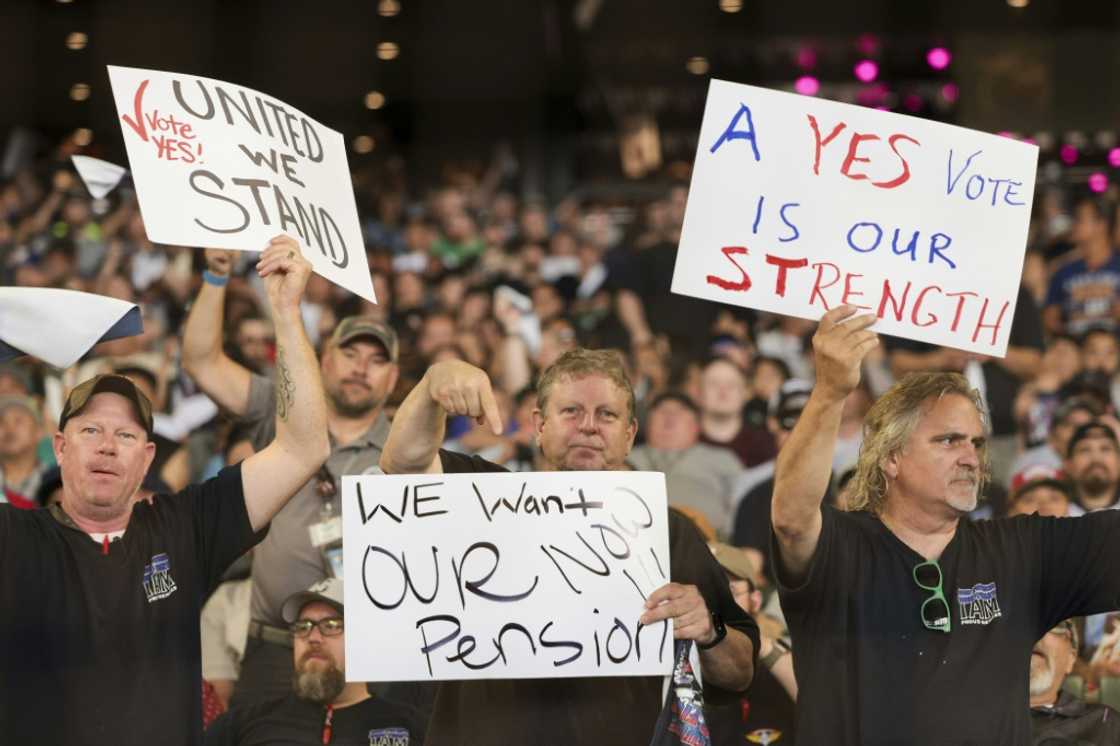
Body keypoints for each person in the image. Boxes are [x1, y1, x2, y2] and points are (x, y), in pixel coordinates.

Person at [0, 235, 330, 746]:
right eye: (91, 431)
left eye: (127, 434)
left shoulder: (186, 527)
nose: (108, 445)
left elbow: (304, 447)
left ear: (147, 458)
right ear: (60, 447)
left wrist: (287, 313)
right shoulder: (13, 535)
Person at [771, 304, 1120, 745]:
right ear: (891, 457)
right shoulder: (842, 547)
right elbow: (792, 518)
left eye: (975, 442)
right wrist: (829, 392)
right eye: (948, 440)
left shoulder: (1025, 551)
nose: (971, 457)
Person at [379, 348, 759, 746]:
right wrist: (430, 387)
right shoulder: (482, 497)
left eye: (607, 415)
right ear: (539, 426)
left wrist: (709, 632)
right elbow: (402, 464)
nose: (589, 427)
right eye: (571, 411)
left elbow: (739, 672)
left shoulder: (668, 530)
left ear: (629, 435)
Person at [183, 248, 401, 707]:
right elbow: (202, 362)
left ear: (393, 378)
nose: (361, 366)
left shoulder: (406, 448)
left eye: (376, 360)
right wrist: (217, 277)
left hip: (371, 649)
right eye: (350, 352)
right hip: (274, 645)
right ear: (322, 360)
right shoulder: (278, 406)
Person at [205, 578, 425, 746]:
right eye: (304, 626)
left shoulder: (410, 726)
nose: (313, 637)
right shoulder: (242, 724)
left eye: (331, 625)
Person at [705, 542, 797, 746]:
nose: (719, 602)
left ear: (755, 600)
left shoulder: (774, 659)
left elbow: (822, 704)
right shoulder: (683, 665)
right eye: (707, 591)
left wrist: (757, 643)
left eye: (731, 592)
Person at [627, 390, 744, 535]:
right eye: (662, 410)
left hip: (713, 542)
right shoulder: (626, 457)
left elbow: (743, 506)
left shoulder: (723, 459)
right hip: (635, 538)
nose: (669, 416)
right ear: (646, 422)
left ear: (696, 425)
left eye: (679, 411)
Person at [1029, 620, 1120, 744]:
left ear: (1071, 659)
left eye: (1051, 625)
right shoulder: (994, 718)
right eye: (1014, 627)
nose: (1031, 634)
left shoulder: (1107, 723)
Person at [1044, 194, 1120, 336]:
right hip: (1075, 352)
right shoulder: (1064, 271)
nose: (1074, 224)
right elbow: (1049, 318)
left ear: (1101, 225)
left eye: (1080, 219)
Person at [0, 394, 49, 506]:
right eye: (1, 422)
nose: (9, 428)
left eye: (18, 421)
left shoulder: (57, 482)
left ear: (39, 431)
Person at [1064, 421, 1120, 512]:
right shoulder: (1052, 514)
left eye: (1105, 449)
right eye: (1085, 450)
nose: (1096, 458)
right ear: (1068, 465)